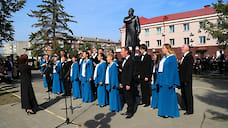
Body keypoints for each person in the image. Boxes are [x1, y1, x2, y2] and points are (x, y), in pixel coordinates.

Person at [156, 44, 180, 118]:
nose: (162, 49)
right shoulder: (164, 57)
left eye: (163, 48)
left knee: (168, 97)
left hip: (168, 81)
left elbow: (173, 71)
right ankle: (163, 111)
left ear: (167, 49)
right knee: (163, 97)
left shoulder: (172, 58)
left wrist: (171, 82)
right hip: (162, 80)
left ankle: (169, 112)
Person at [119, 47, 135, 119]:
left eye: (122, 52)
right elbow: (124, 72)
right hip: (124, 81)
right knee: (127, 97)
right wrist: (121, 82)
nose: (121, 53)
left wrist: (128, 84)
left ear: (126, 52)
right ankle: (128, 110)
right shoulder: (123, 60)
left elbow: (130, 73)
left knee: (130, 98)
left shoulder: (130, 60)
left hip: (128, 83)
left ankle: (131, 112)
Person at [179, 44, 194, 115]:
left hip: (186, 80)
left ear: (187, 49)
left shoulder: (189, 57)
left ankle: (190, 110)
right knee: (183, 93)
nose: (181, 48)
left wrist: (186, 80)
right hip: (182, 79)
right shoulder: (184, 57)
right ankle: (184, 106)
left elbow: (188, 70)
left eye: (183, 47)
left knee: (188, 94)